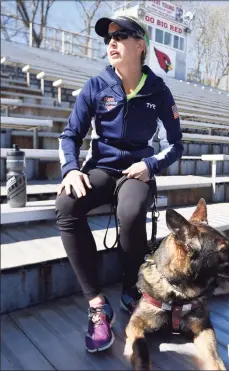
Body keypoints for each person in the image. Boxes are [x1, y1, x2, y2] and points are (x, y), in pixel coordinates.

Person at [55, 15, 183, 353]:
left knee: (130, 211)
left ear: (140, 45)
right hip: (102, 169)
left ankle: (132, 286)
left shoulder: (158, 90)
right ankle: (97, 304)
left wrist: (151, 164)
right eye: (108, 37)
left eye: (120, 35)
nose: (111, 42)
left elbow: (177, 144)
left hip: (137, 171)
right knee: (66, 204)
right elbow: (70, 135)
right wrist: (70, 169)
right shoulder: (96, 86)